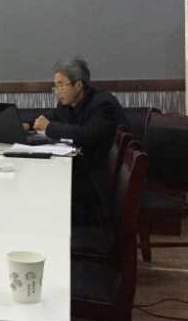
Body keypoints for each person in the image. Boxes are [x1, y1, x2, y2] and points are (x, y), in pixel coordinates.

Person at [32, 59, 127, 226]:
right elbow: (52, 117)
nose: (57, 92)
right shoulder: (67, 104)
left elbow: (86, 135)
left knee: (45, 191)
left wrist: (49, 127)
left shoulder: (104, 104)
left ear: (78, 85)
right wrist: (27, 124)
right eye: (55, 86)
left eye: (61, 85)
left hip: (97, 182)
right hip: (82, 171)